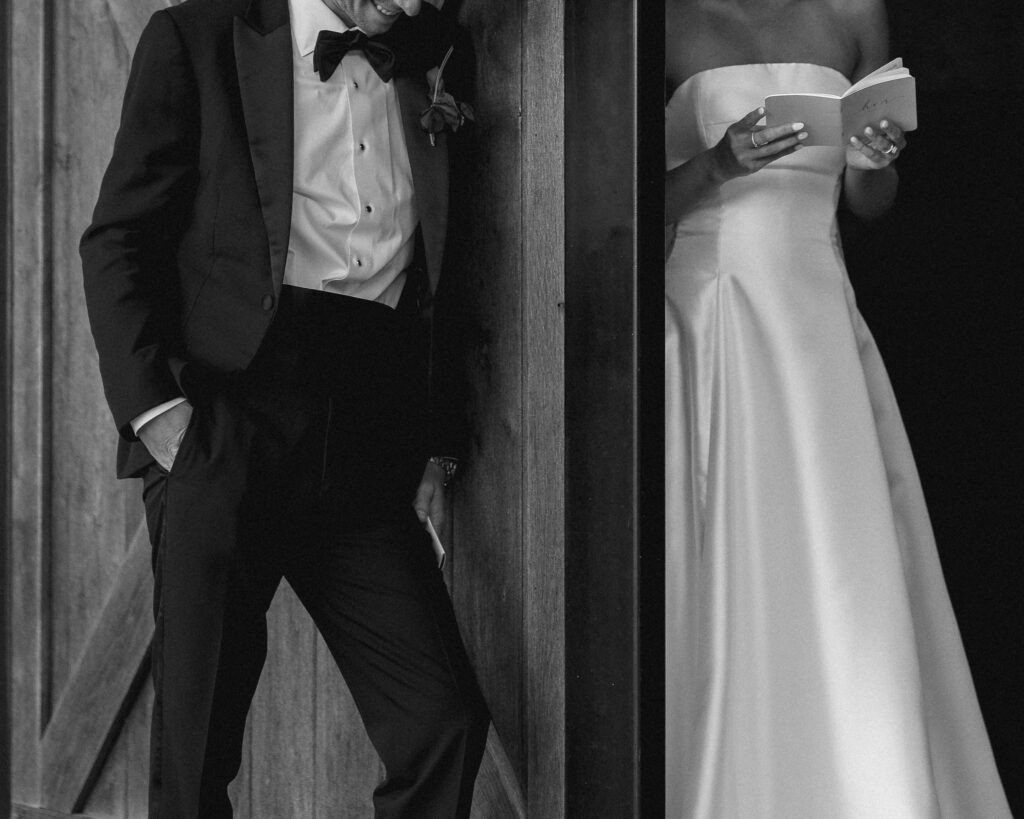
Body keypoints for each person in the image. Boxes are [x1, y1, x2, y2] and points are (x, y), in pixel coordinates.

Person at [79, 0, 490, 816]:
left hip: (368, 432)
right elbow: (117, 238)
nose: (409, 2)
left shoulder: (438, 53)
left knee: (440, 721)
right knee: (196, 760)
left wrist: (435, 443)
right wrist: (159, 415)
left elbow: (454, 264)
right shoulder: (194, 38)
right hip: (228, 419)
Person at [663, 0, 1012, 815]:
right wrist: (716, 164)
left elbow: (870, 204)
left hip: (817, 318)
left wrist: (871, 158)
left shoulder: (854, 12)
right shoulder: (666, 19)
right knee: (724, 564)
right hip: (709, 315)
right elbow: (625, 201)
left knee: (840, 566)